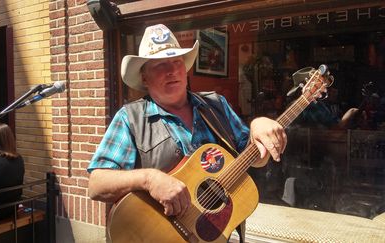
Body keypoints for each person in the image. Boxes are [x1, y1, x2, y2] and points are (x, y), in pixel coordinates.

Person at [87, 24, 287, 242]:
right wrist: (149, 179)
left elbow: (253, 158)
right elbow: (97, 185)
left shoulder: (216, 105)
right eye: (161, 64)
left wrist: (259, 128)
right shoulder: (130, 118)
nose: (172, 70)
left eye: (176, 61)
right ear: (145, 77)